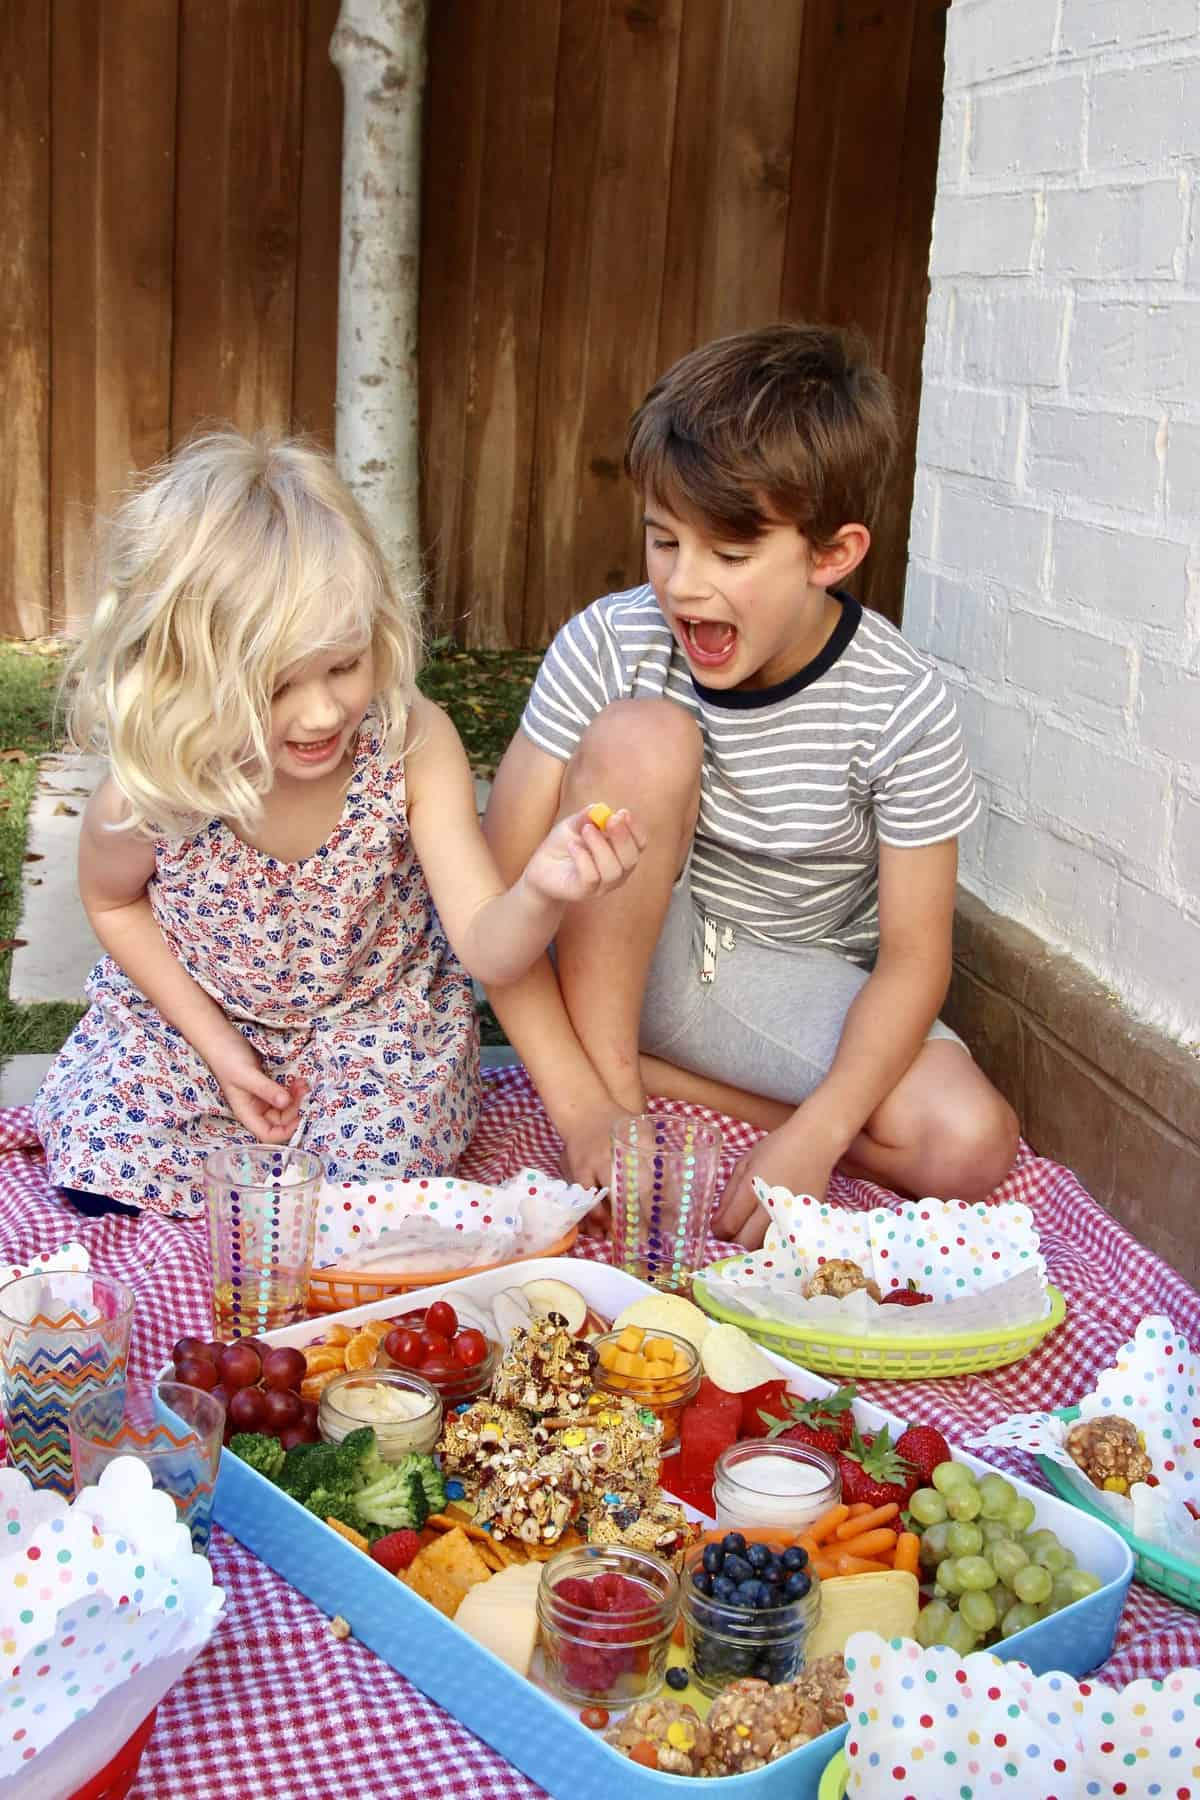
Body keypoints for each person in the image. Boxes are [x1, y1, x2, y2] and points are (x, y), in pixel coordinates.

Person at [482, 322, 1019, 1248]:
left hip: (784, 985)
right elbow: (495, 902)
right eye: (662, 541)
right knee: (645, 736)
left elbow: (915, 957)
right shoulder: (611, 642)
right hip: (618, 962)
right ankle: (620, 1094)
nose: (685, 585)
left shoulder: (902, 702)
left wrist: (813, 1137)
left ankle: (674, 1086)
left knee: (971, 1145)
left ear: (832, 554)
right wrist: (585, 1113)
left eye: (730, 556)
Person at [33, 432, 643, 1218]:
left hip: (372, 1038)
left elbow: (487, 945)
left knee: (378, 1196)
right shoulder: (156, 786)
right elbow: (114, 904)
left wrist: (541, 891)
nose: (323, 712)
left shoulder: (409, 743)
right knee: (103, 1152)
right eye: (278, 684)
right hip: (198, 1026)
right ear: (189, 674)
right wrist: (221, 1054)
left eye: (344, 665)